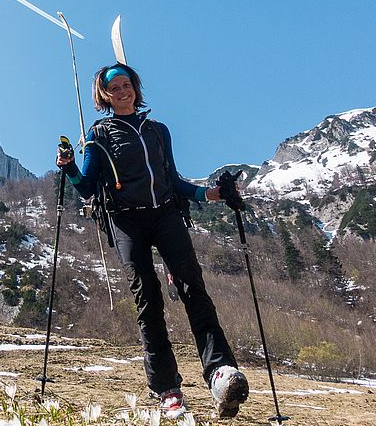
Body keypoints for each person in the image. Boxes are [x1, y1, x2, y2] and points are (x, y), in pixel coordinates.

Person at [56, 63, 249, 420]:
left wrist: (213, 194)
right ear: (104, 96)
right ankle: (167, 388)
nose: (122, 91)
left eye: (127, 84)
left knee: (195, 288)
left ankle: (220, 373)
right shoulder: (97, 136)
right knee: (148, 298)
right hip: (126, 220)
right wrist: (68, 166)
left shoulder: (158, 131)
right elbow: (85, 186)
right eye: (114, 87)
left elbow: (174, 180)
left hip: (165, 214)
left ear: (135, 88)